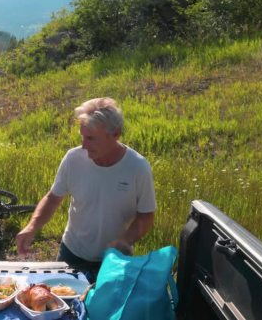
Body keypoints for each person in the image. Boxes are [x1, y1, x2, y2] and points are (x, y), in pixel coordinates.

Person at [15, 97, 156, 282]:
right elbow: (53, 198)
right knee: (65, 307)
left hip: (114, 260)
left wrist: (125, 240)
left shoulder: (137, 168)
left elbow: (146, 215)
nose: (83, 145)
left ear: (116, 134)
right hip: (72, 253)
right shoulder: (74, 159)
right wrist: (32, 226)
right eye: (82, 137)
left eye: (91, 138)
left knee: (106, 310)